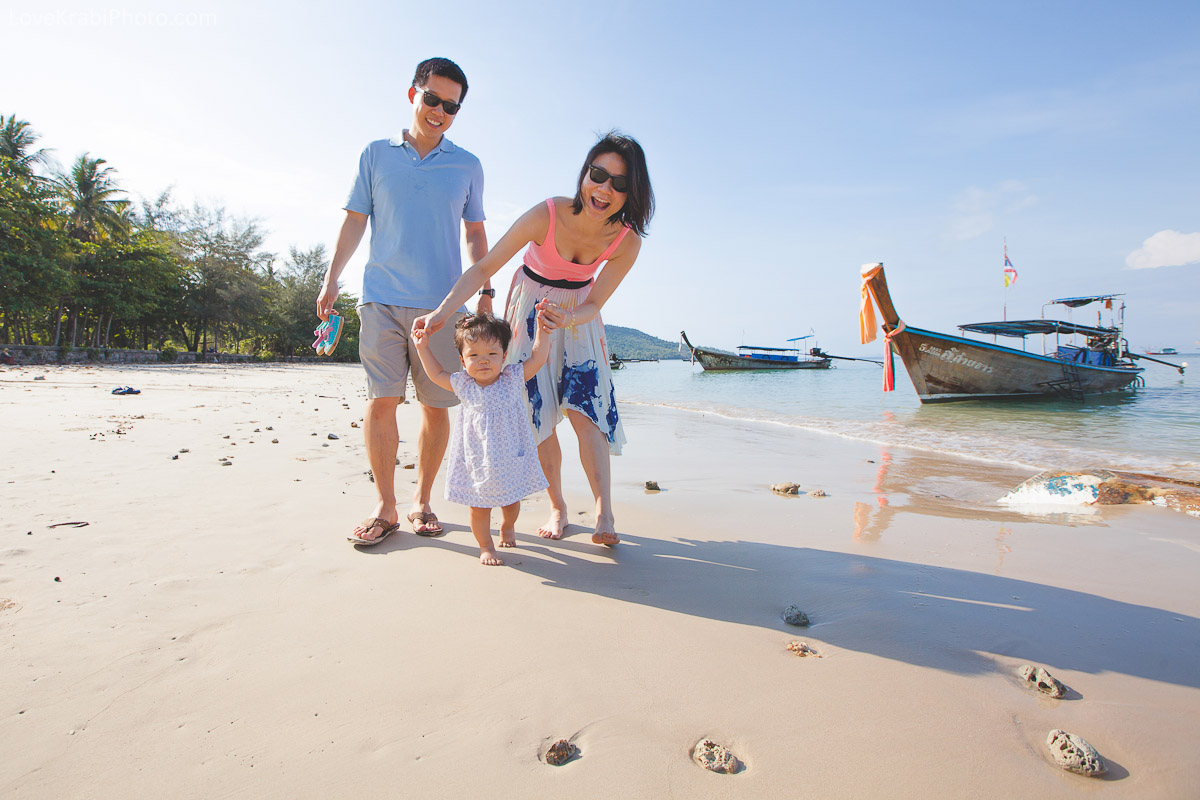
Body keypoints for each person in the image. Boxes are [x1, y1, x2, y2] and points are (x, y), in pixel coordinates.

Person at [413, 132, 654, 546]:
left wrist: (569, 316)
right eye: (599, 175)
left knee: (587, 411)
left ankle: (603, 514)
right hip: (529, 309)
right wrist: (441, 312)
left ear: (632, 192)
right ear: (585, 174)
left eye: (619, 184)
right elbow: (484, 266)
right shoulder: (549, 213)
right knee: (537, 414)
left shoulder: (626, 240)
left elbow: (595, 302)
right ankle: (557, 507)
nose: (605, 189)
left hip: (578, 319)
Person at [319, 57, 495, 546]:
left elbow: (476, 234)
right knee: (382, 401)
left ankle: (422, 501)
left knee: (437, 406)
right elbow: (355, 220)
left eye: (451, 106)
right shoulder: (376, 155)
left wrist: (484, 293)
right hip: (380, 299)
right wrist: (332, 277)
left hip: (444, 309)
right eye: (432, 98)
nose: (439, 111)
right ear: (413, 94)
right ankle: (386, 506)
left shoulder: (468, 166)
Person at [413, 312, 551, 565]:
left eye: (491, 354)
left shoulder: (511, 378)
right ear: (462, 361)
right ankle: (485, 545)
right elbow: (435, 374)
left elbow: (538, 357)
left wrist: (544, 332)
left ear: (504, 356)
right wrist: (422, 348)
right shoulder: (463, 384)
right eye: (474, 355)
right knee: (479, 506)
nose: (483, 361)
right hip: (476, 460)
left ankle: (508, 527)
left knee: (511, 501)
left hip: (510, 457)